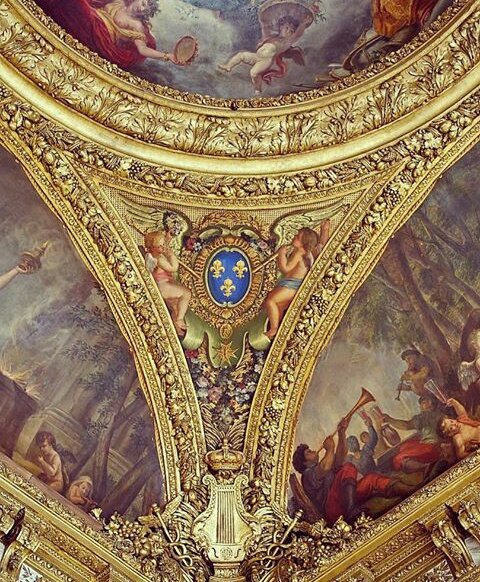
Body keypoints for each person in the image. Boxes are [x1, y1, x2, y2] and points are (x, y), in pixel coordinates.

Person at [293, 417, 414, 524]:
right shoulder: (307, 475)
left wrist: (341, 433)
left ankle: (410, 490)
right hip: (334, 510)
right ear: (304, 462)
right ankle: (351, 511)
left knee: (372, 479)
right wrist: (330, 449)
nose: (313, 451)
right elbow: (325, 467)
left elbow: (340, 457)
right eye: (308, 452)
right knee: (348, 467)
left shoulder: (324, 464)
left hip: (344, 498)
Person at [37, 0, 176, 69]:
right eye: (143, 3)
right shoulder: (120, 3)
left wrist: (167, 56)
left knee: (77, 5)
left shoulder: (136, 25)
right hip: (94, 17)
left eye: (145, 9)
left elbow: (142, 49)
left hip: (99, 32)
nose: (141, 8)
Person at [264, 222, 329, 339]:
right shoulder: (307, 253)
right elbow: (321, 245)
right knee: (278, 306)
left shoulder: (299, 252)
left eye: (298, 236)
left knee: (270, 301)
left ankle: (273, 330)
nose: (294, 236)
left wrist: (281, 254)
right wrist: (324, 230)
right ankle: (277, 332)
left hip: (291, 286)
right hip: (290, 285)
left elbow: (286, 268)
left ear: (304, 241)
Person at [219, 14, 311, 93]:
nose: (288, 31)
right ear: (281, 27)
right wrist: (262, 19)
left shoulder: (287, 42)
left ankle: (258, 89)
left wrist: (304, 23)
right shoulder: (273, 37)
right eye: (286, 28)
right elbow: (264, 28)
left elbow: (298, 34)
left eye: (291, 31)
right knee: (241, 55)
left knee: (253, 73)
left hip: (265, 61)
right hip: (256, 56)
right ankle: (228, 66)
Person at [144, 230, 191, 336]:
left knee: (175, 306)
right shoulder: (159, 259)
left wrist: (168, 239)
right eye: (161, 246)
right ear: (153, 247)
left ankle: (176, 329)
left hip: (165, 283)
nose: (164, 247)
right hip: (162, 286)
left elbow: (163, 246)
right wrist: (171, 256)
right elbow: (173, 268)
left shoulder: (154, 253)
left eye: (164, 244)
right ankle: (179, 319)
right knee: (186, 293)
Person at [383, 395, 442, 474]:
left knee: (398, 458)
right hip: (434, 444)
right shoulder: (438, 413)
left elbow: (406, 426)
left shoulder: (424, 416)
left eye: (423, 403)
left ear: (430, 403)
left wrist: (389, 419)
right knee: (403, 447)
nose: (421, 407)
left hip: (431, 447)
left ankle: (426, 467)